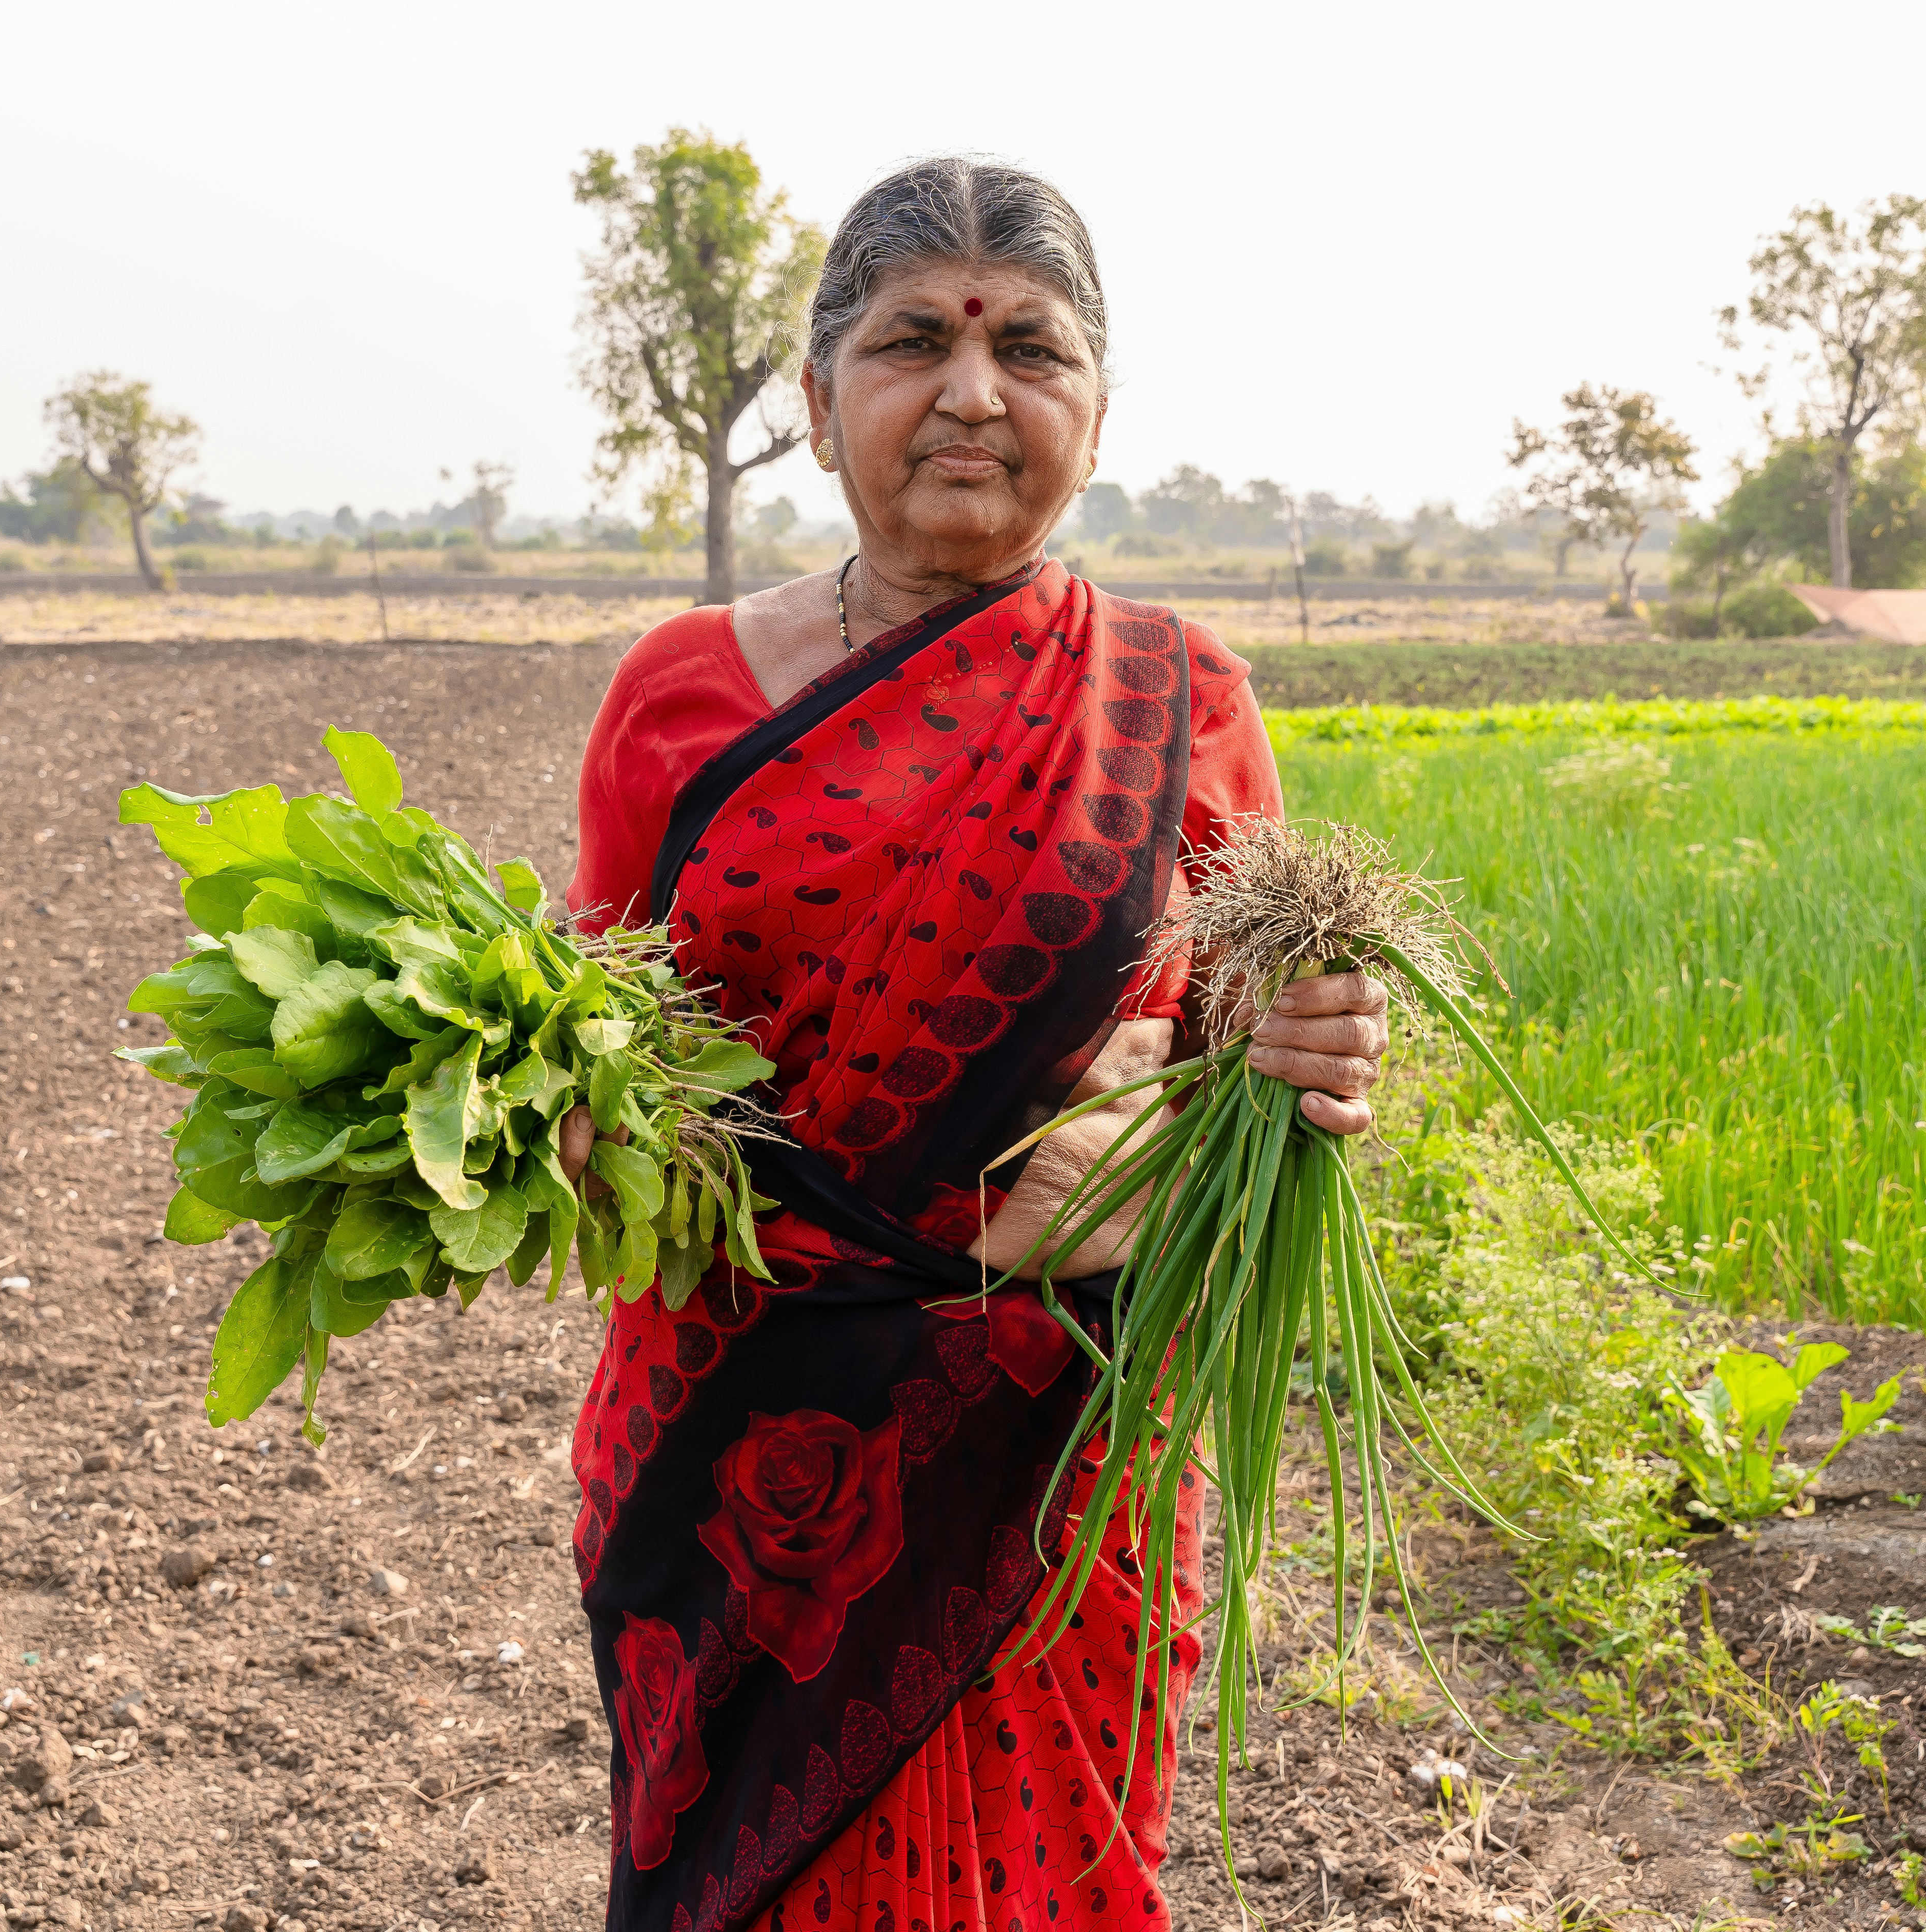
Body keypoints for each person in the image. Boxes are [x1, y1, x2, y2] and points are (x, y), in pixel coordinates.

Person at [561, 156, 1388, 1932]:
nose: (970, 392)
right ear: (815, 399)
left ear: (1096, 406)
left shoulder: (1181, 694)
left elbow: (1252, 1106)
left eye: (1031, 346)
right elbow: (587, 1082)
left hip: (1053, 1481)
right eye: (910, 342)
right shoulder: (682, 695)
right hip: (742, 1476)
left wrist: (1311, 1071)